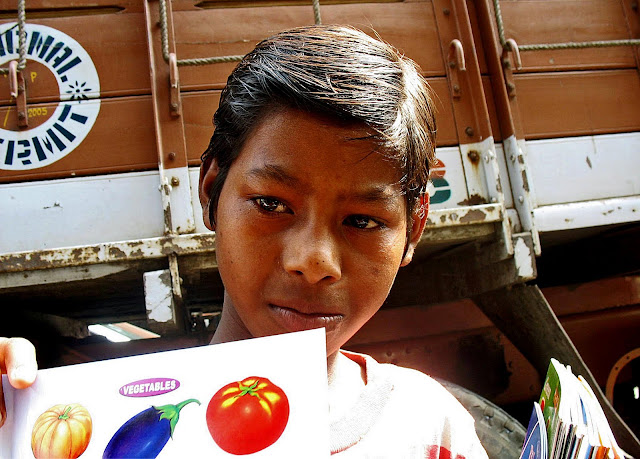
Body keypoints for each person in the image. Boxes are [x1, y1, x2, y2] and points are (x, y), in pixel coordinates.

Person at [1, 25, 488, 457]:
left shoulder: (431, 431)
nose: (312, 261)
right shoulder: (85, 426)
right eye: (272, 205)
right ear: (211, 191)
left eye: (362, 221)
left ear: (413, 229)